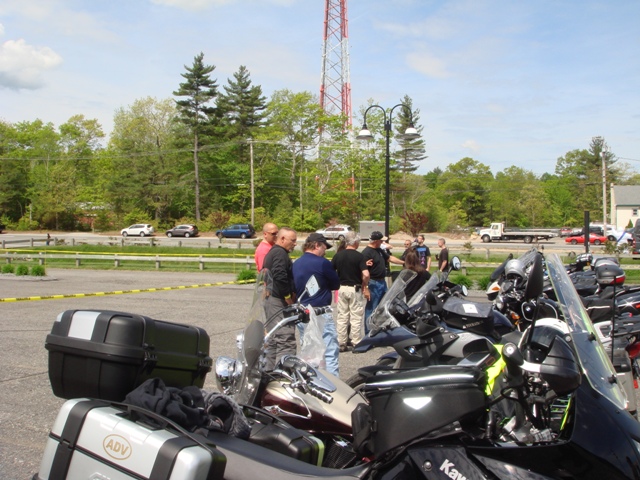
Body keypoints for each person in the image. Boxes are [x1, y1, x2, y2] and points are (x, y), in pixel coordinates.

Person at [293, 233, 341, 376]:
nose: (325, 251)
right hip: (320, 311)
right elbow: (336, 284)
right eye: (324, 248)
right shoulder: (323, 263)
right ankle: (333, 382)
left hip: (302, 312)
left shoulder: (296, 263)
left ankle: (310, 379)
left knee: (309, 351)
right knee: (329, 349)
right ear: (316, 245)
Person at [262, 227, 298, 370]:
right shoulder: (279, 253)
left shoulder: (275, 252)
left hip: (272, 299)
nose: (295, 244)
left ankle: (268, 373)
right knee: (285, 339)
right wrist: (287, 296)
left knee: (273, 340)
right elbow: (279, 274)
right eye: (293, 240)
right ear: (282, 239)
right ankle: (285, 374)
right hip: (278, 301)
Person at [331, 232, 370, 352]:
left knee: (342, 316)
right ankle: (356, 342)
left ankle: (341, 342)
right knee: (356, 316)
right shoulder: (359, 256)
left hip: (341, 287)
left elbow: (331, 271)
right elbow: (366, 274)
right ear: (356, 242)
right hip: (355, 288)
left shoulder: (338, 255)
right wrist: (365, 284)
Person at [362, 231, 404, 332]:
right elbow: (363, 272)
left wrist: (404, 262)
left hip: (382, 282)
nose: (383, 242)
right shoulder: (366, 253)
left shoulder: (379, 250)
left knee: (384, 307)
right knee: (372, 308)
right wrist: (366, 287)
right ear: (376, 241)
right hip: (373, 283)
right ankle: (369, 331)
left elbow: (389, 258)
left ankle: (379, 328)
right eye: (381, 240)